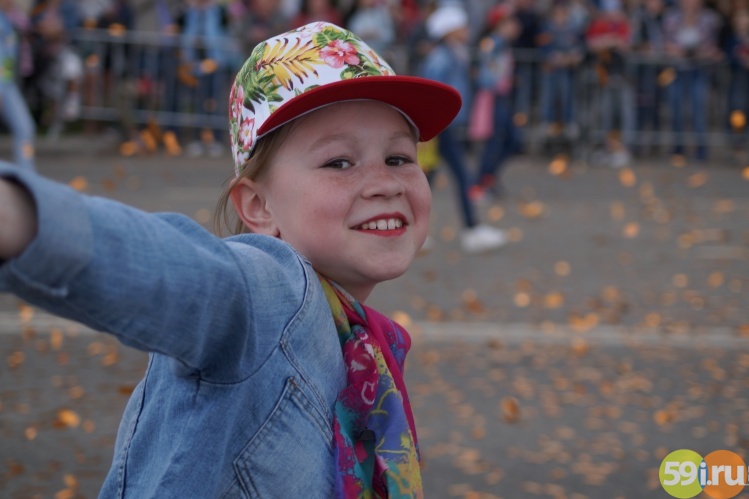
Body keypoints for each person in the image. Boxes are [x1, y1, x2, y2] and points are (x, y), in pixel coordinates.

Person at [0, 22, 462, 497]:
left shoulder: (358, 339)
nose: (384, 183)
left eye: (398, 158)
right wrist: (19, 217)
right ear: (258, 207)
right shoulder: (274, 295)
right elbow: (186, 276)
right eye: (339, 162)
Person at [420, 3, 508, 254]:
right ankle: (471, 228)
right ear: (450, 31)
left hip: (444, 126)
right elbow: (432, 92)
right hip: (442, 127)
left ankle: (424, 232)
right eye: (462, 26)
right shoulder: (443, 57)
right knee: (457, 175)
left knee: (430, 178)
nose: (467, 30)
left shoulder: (454, 54)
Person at [470, 4, 521, 200]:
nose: (515, 26)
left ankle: (489, 177)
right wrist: (499, 81)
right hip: (494, 97)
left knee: (510, 140)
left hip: (502, 97)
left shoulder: (502, 44)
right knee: (495, 141)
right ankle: (482, 182)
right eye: (511, 22)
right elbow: (485, 75)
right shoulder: (492, 44)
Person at [0, 0, 36, 170]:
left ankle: (27, 175)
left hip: (7, 82)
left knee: (25, 128)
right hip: (2, 83)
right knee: (24, 128)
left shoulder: (10, 17)